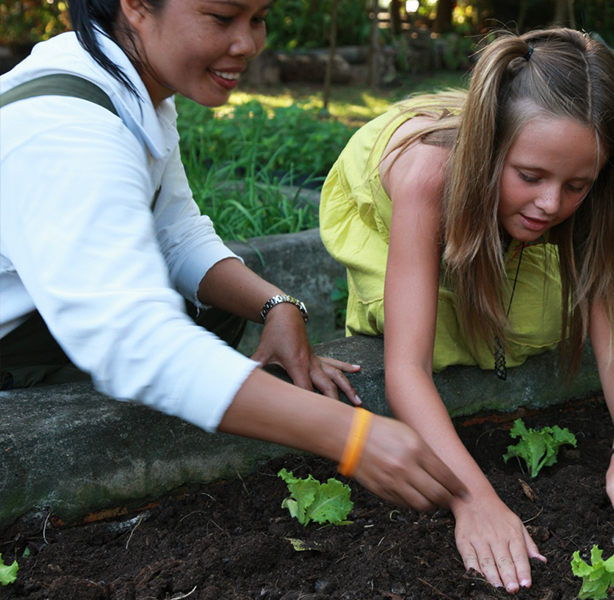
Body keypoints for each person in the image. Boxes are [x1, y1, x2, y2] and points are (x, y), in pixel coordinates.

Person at [0, 0, 467, 513]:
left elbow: (176, 233)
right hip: (16, 352)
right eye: (221, 19)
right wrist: (353, 436)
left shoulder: (132, 86)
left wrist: (279, 305)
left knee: (212, 306)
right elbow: (131, 339)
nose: (247, 44)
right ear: (135, 6)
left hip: (41, 331)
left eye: (258, 18)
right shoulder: (68, 129)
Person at [320, 27, 614, 593]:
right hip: (405, 197)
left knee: (531, 318)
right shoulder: (427, 176)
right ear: (490, 147)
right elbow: (406, 372)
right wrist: (473, 499)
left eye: (577, 186)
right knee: (427, 327)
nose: (551, 204)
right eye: (531, 176)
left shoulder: (585, 184)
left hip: (487, 185)